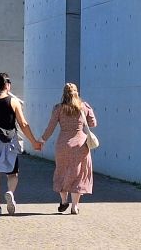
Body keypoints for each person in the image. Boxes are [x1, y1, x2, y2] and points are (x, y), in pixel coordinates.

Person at [0, 72, 42, 215]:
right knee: (13, 173)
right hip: (10, 142)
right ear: (6, 85)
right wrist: (34, 142)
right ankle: (10, 193)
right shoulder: (13, 102)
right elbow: (23, 124)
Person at [39, 83, 97, 214]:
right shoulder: (84, 107)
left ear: (63, 94)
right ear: (77, 93)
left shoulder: (58, 109)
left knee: (62, 171)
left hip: (63, 145)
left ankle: (64, 201)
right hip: (81, 145)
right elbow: (93, 123)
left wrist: (41, 140)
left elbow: (51, 127)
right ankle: (74, 206)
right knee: (79, 174)